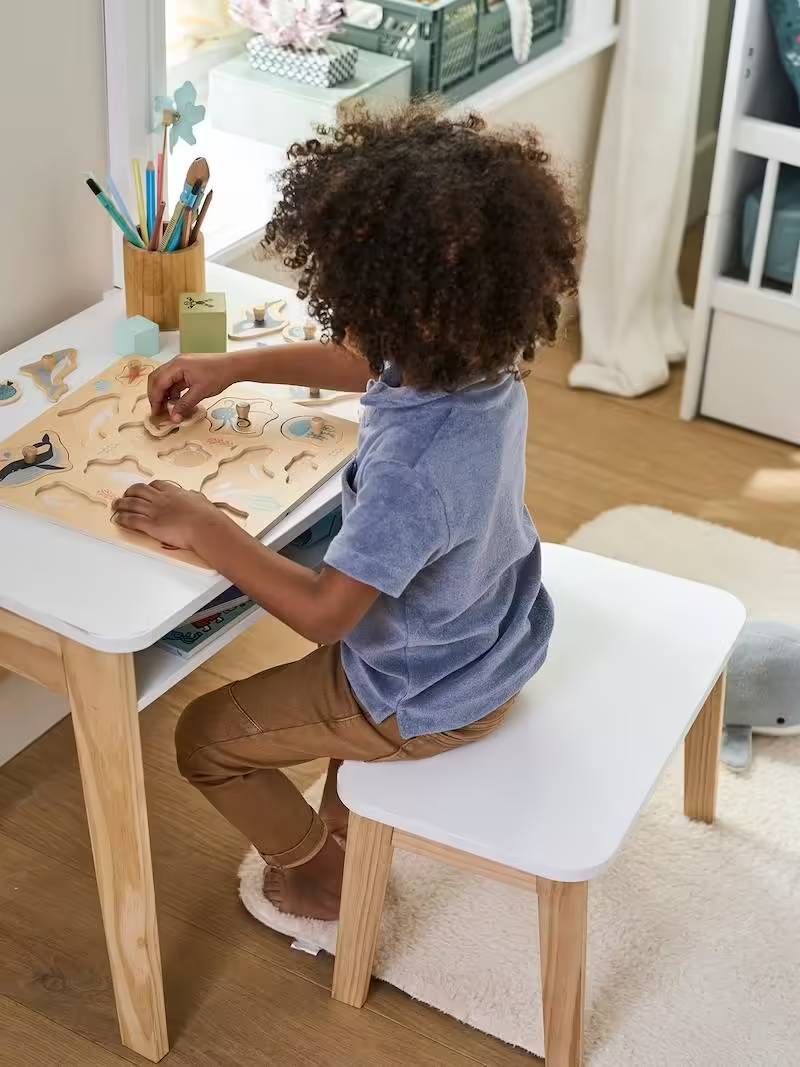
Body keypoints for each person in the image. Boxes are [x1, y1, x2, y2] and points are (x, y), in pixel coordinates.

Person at [112, 104, 579, 920]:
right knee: (309, 716)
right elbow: (368, 362)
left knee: (203, 740)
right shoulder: (480, 360)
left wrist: (204, 525)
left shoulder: (417, 467)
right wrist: (233, 365)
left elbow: (328, 616)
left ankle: (321, 875)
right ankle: (346, 807)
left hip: (418, 687)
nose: (342, 316)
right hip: (488, 635)